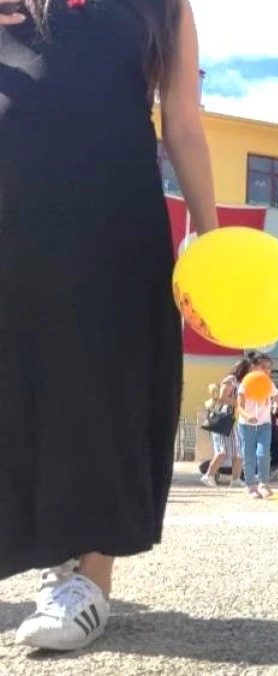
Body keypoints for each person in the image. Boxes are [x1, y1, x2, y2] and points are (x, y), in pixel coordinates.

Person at [1, 0, 217, 651]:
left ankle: (84, 579)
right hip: (11, 203)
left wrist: (210, 241)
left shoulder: (164, 6)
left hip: (111, 210)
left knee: (99, 383)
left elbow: (183, 123)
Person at [237, 354, 278, 499]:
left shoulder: (269, 385)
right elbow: (239, 407)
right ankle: (250, 486)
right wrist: (247, 416)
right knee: (249, 455)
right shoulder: (245, 384)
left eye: (269, 368)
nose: (267, 370)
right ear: (253, 367)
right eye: (263, 367)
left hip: (264, 425)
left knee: (263, 454)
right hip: (246, 425)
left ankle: (264, 484)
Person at [200, 359, 245, 488]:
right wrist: (240, 404)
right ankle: (208, 475)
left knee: (238, 451)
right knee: (222, 450)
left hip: (235, 420)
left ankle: (236, 479)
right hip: (224, 418)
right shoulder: (231, 380)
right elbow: (222, 397)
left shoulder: (242, 383)